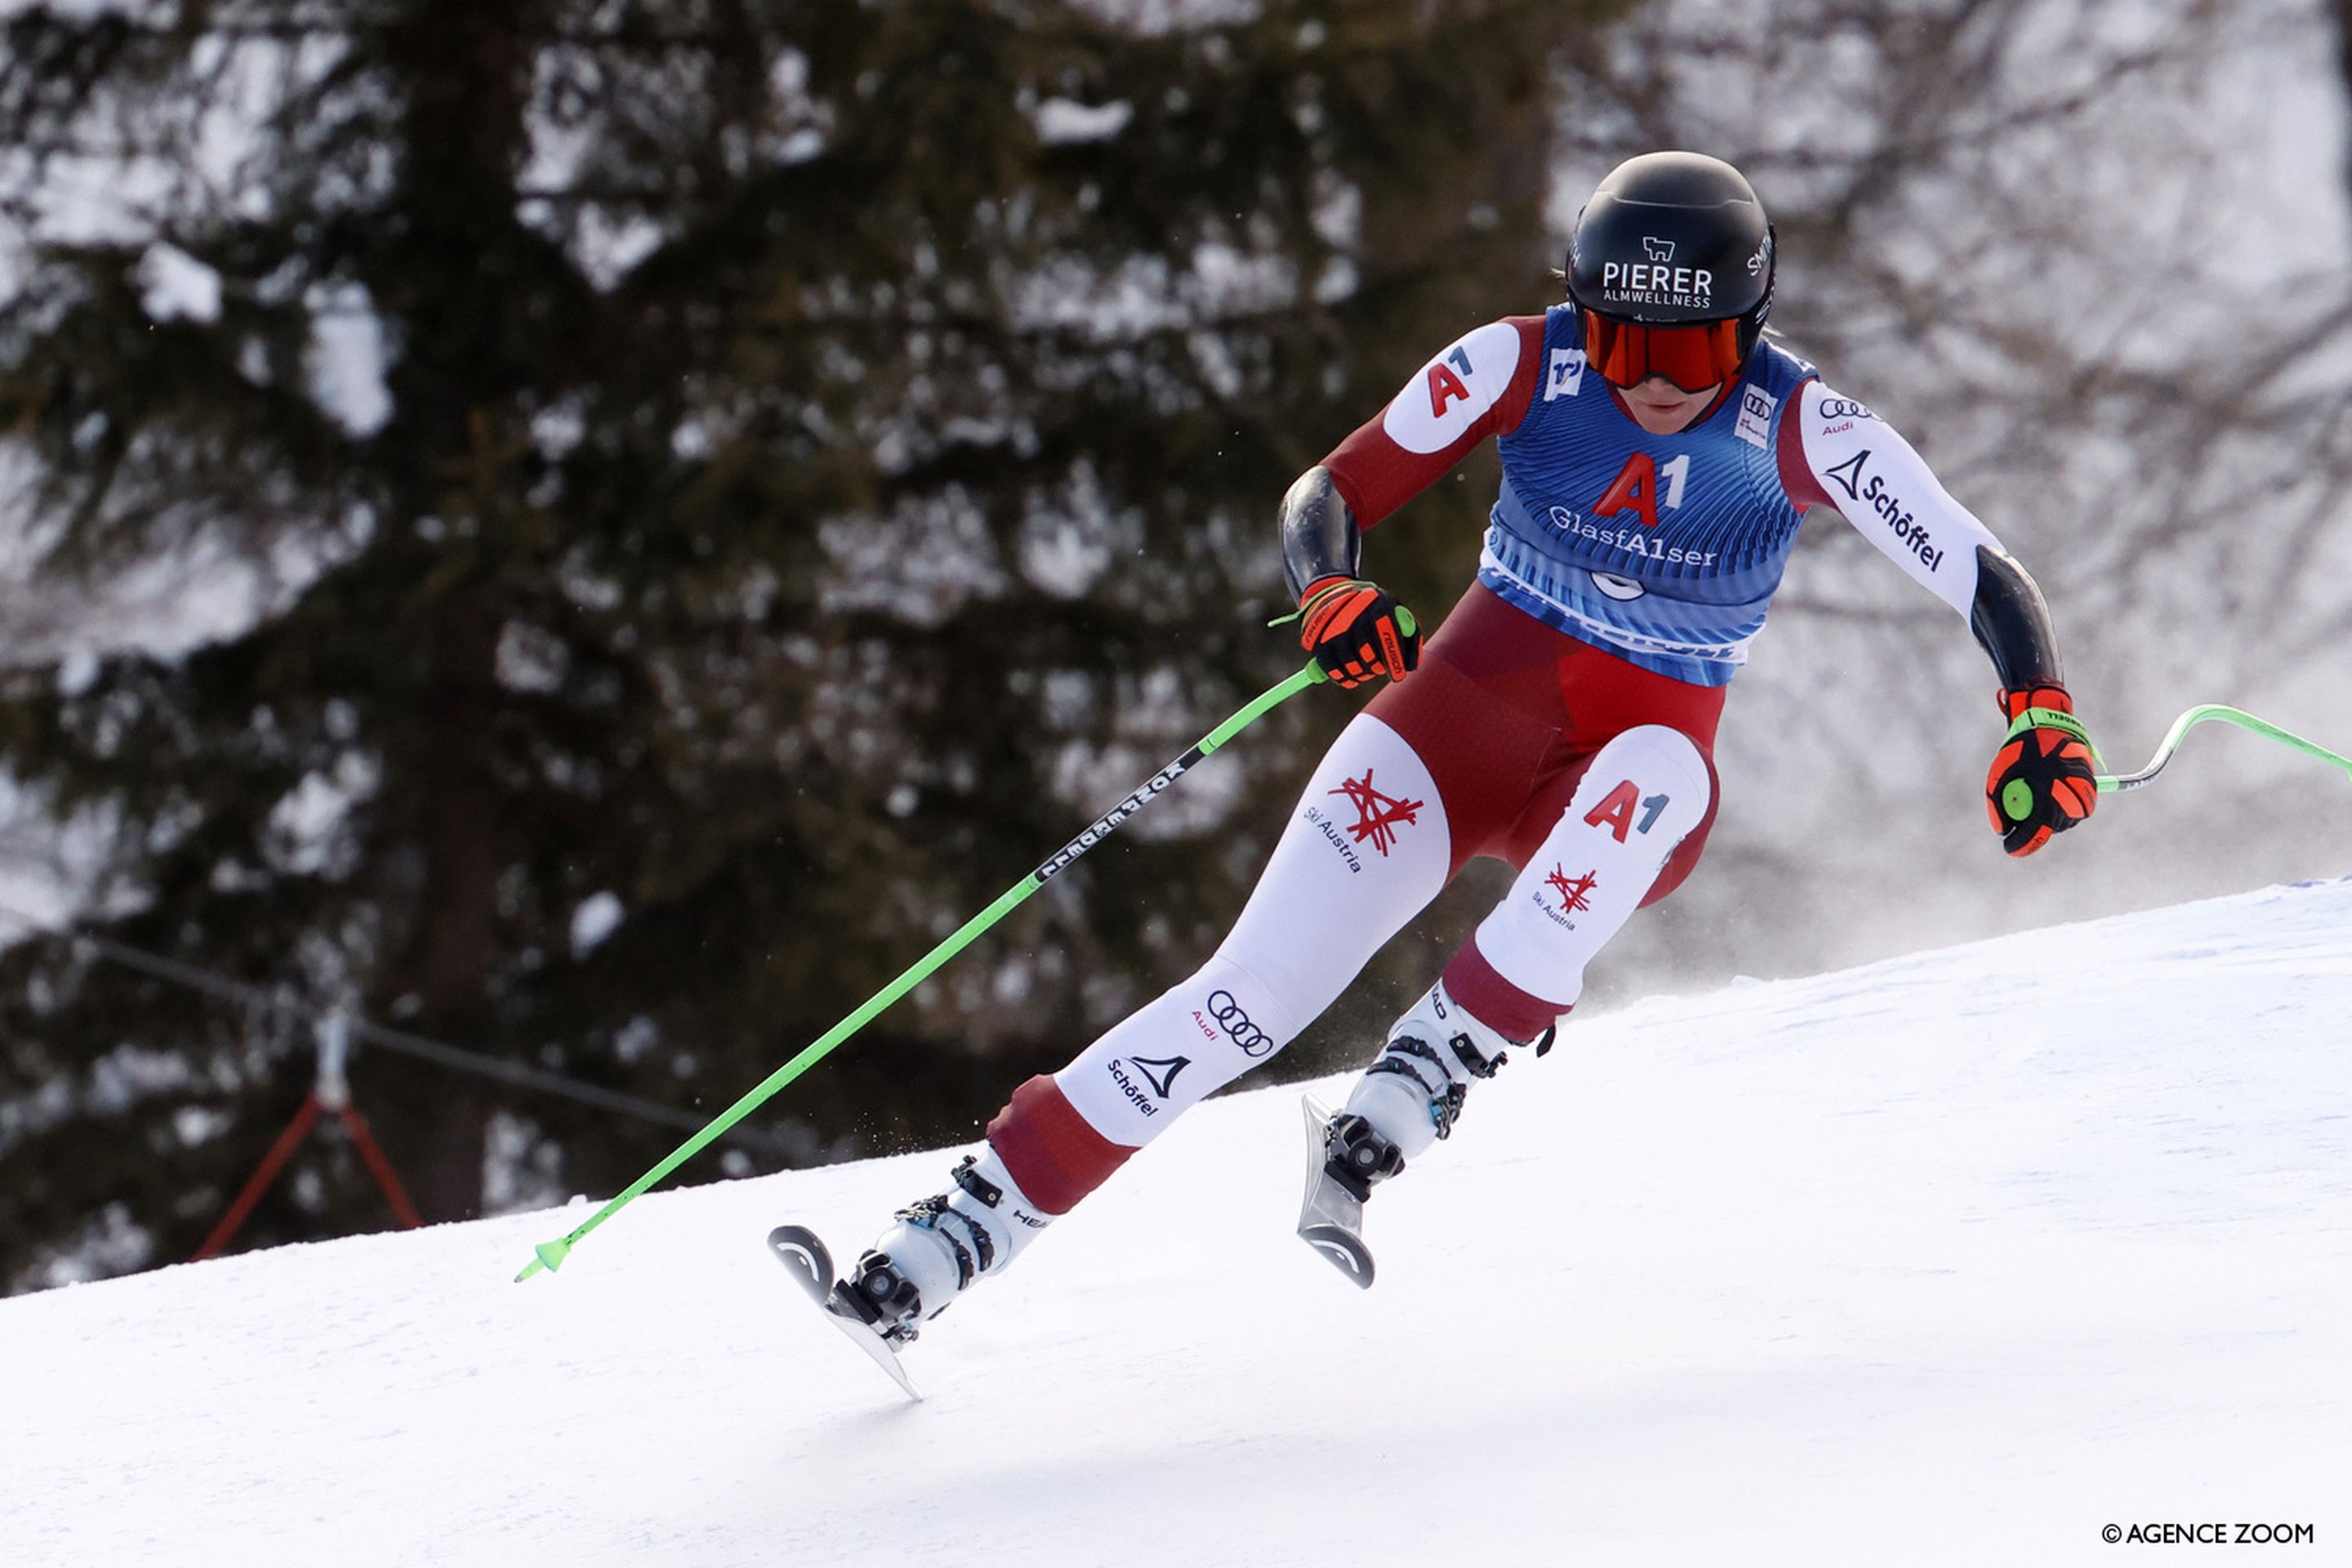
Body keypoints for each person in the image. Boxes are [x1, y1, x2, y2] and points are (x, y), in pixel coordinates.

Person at [829, 149, 2100, 1341]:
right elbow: (1330, 488)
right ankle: (966, 1226)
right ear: (1582, 314)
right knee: (1244, 1000)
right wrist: (1330, 588)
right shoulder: (1519, 365)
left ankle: (1441, 1054)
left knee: (1661, 775)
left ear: (1752, 326)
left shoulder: (1802, 427)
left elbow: (1976, 566)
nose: (1655, 378)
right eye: (1622, 340)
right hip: (1451, 739)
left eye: (1697, 346)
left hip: (1619, 783)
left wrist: (2035, 706)